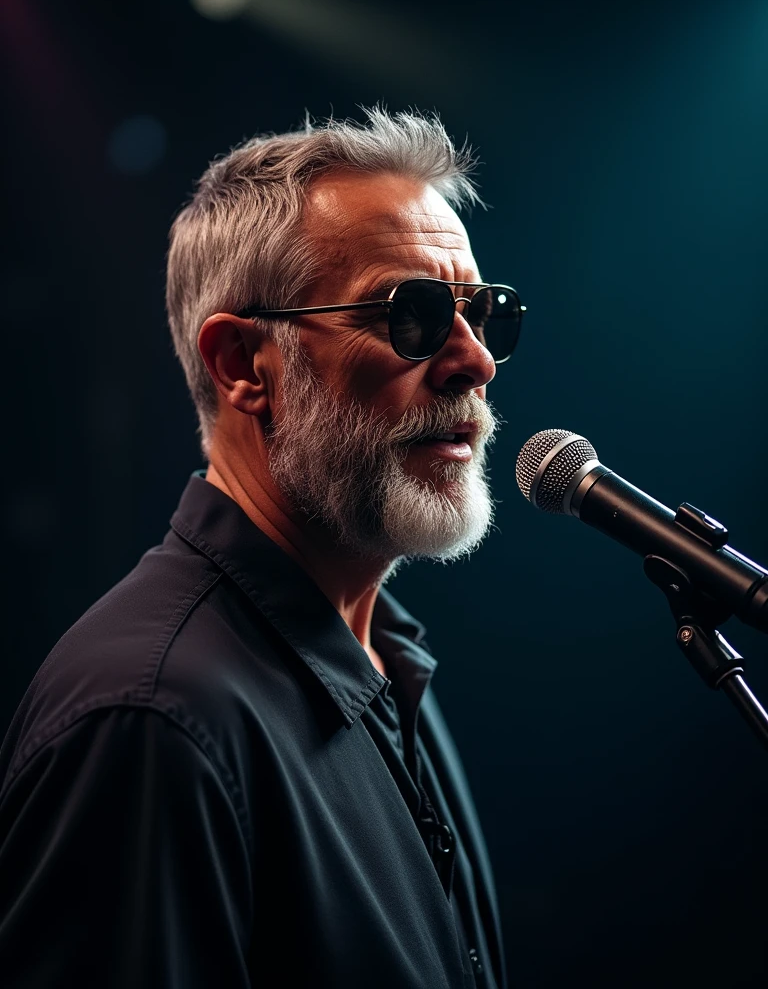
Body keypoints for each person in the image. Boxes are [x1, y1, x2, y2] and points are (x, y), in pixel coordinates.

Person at [0, 107, 524, 988]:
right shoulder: (152, 718)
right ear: (244, 364)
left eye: (486, 314)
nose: (476, 362)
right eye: (415, 314)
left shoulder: (386, 659)